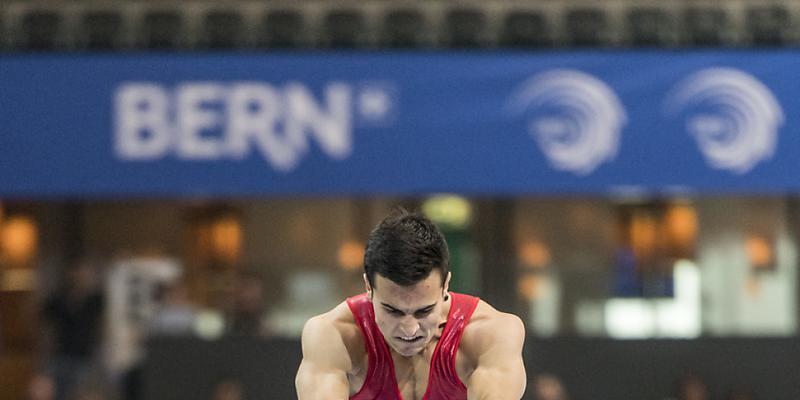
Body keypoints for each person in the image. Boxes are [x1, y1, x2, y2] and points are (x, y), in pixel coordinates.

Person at [296, 211, 526, 399]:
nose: (409, 329)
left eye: (424, 311)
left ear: (445, 284)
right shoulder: (334, 335)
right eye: (392, 310)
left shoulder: (490, 333)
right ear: (368, 286)